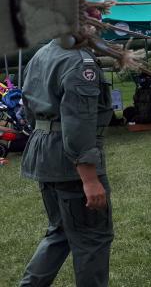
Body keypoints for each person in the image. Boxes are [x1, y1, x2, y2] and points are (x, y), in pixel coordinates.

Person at [18, 39, 114, 287]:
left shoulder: (42, 54)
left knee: (59, 232)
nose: (99, 23)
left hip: (44, 154)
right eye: (93, 18)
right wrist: (89, 179)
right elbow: (78, 123)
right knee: (92, 239)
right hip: (69, 163)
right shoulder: (79, 62)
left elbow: (28, 108)